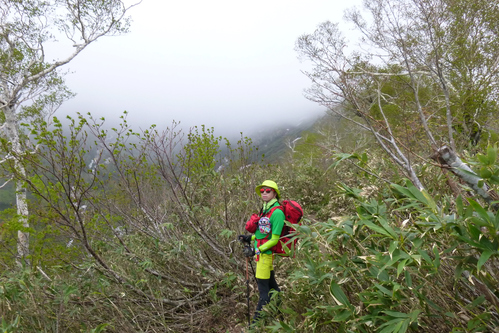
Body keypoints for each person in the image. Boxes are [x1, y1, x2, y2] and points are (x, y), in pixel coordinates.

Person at [239, 180, 285, 324]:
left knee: (264, 295)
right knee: (274, 289)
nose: (264, 193)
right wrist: (250, 237)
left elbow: (274, 239)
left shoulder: (277, 212)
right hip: (263, 256)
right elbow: (263, 234)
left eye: (268, 191)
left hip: (264, 257)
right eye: (262, 191)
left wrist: (255, 250)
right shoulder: (266, 209)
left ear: (275, 193)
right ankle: (282, 319)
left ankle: (254, 326)